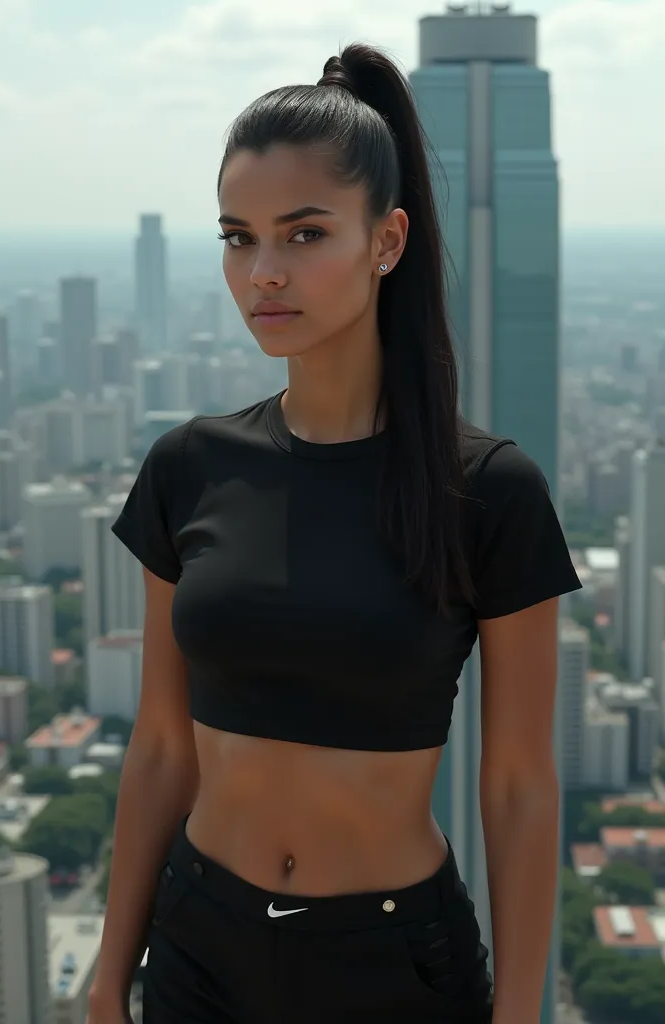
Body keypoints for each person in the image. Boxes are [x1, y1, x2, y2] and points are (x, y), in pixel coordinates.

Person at [87, 43, 582, 1024]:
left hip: (393, 965)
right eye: (239, 237)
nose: (263, 273)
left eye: (303, 234)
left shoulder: (488, 491)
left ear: (386, 241)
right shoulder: (190, 467)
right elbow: (159, 751)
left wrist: (519, 1013)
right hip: (198, 948)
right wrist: (109, 975)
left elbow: (520, 784)